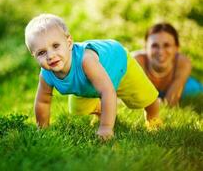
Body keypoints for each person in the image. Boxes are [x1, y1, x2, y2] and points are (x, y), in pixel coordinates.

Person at [25, 13, 161, 141]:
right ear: (34, 56)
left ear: (69, 43)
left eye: (55, 46)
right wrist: (42, 129)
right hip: (90, 83)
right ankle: (102, 110)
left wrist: (106, 128)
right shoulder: (46, 73)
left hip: (117, 63)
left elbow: (107, 91)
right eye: (42, 52)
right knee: (78, 109)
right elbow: (43, 101)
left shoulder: (86, 59)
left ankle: (153, 118)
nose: (50, 56)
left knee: (144, 97)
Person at [133, 22, 203, 106]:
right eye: (154, 46)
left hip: (186, 87)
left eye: (167, 45)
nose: (161, 52)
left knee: (194, 91)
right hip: (152, 93)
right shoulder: (135, 61)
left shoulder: (183, 63)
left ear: (176, 48)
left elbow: (170, 101)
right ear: (145, 48)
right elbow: (133, 100)